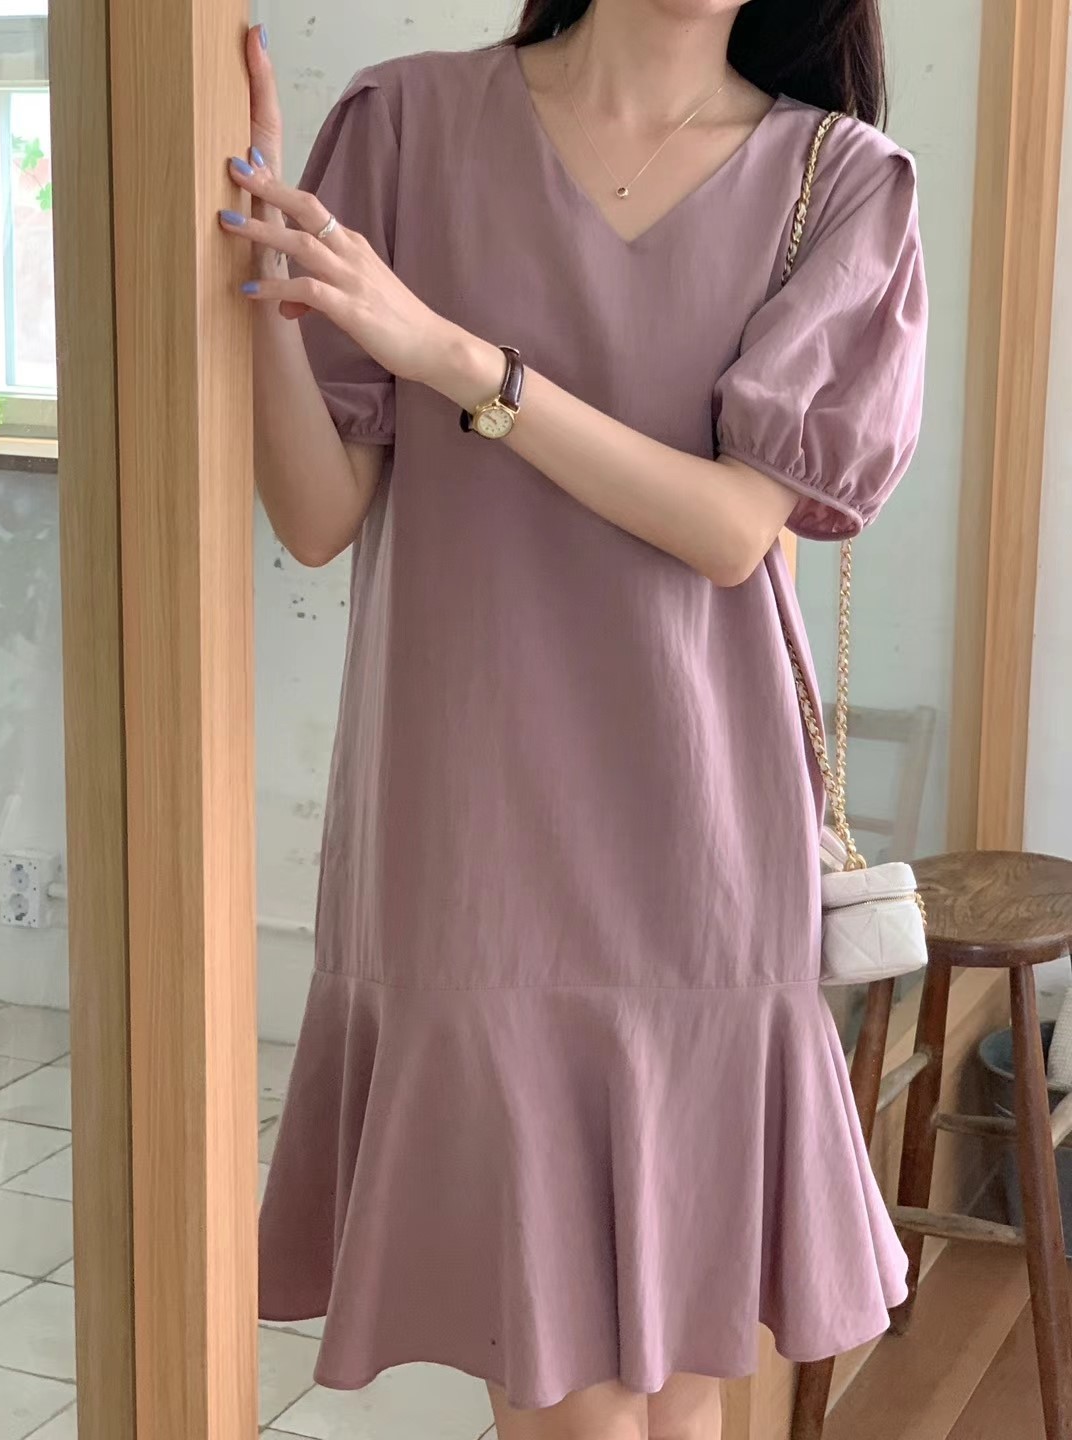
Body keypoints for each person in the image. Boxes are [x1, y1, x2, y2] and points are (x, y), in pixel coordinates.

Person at [220, 1, 927, 1435]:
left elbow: (731, 530)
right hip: (475, 843)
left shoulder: (839, 178)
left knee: (678, 1396)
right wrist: (262, 292)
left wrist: (462, 363)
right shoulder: (407, 125)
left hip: (701, 851)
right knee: (582, 1406)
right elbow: (315, 516)